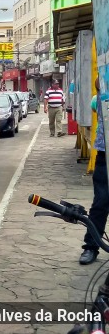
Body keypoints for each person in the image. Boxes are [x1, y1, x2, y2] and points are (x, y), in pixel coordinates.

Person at [80, 77, 108, 265]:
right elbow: (97, 85)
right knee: (101, 202)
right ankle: (91, 246)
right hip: (105, 154)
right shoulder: (101, 89)